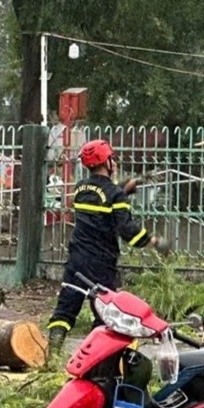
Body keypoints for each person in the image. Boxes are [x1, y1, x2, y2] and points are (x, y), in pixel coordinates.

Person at [46, 139, 168, 354]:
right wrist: (153, 241)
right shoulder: (115, 194)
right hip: (101, 262)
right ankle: (94, 356)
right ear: (106, 162)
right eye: (112, 158)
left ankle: (52, 353)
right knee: (104, 311)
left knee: (66, 307)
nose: (116, 162)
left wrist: (127, 187)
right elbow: (127, 230)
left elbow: (101, 197)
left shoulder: (80, 188)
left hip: (76, 259)